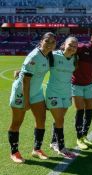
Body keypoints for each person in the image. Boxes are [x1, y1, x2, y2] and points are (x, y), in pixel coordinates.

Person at [8, 32, 56, 163]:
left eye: (52, 42)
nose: (49, 44)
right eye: (47, 41)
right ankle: (14, 152)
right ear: (41, 41)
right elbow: (26, 81)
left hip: (36, 91)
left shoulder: (49, 55)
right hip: (22, 91)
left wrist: (19, 70)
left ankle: (37, 149)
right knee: (17, 122)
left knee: (41, 119)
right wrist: (26, 101)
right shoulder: (34, 56)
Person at [72, 30, 92, 150]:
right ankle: (78, 137)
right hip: (76, 85)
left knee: (89, 111)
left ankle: (85, 135)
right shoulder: (82, 47)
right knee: (80, 111)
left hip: (90, 85)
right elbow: (65, 49)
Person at [47, 36, 78, 159]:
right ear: (64, 44)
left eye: (75, 46)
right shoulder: (53, 55)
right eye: (70, 44)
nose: (72, 48)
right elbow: (39, 65)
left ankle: (53, 142)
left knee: (59, 119)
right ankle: (61, 147)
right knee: (60, 120)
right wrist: (21, 71)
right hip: (53, 92)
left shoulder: (75, 58)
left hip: (66, 93)